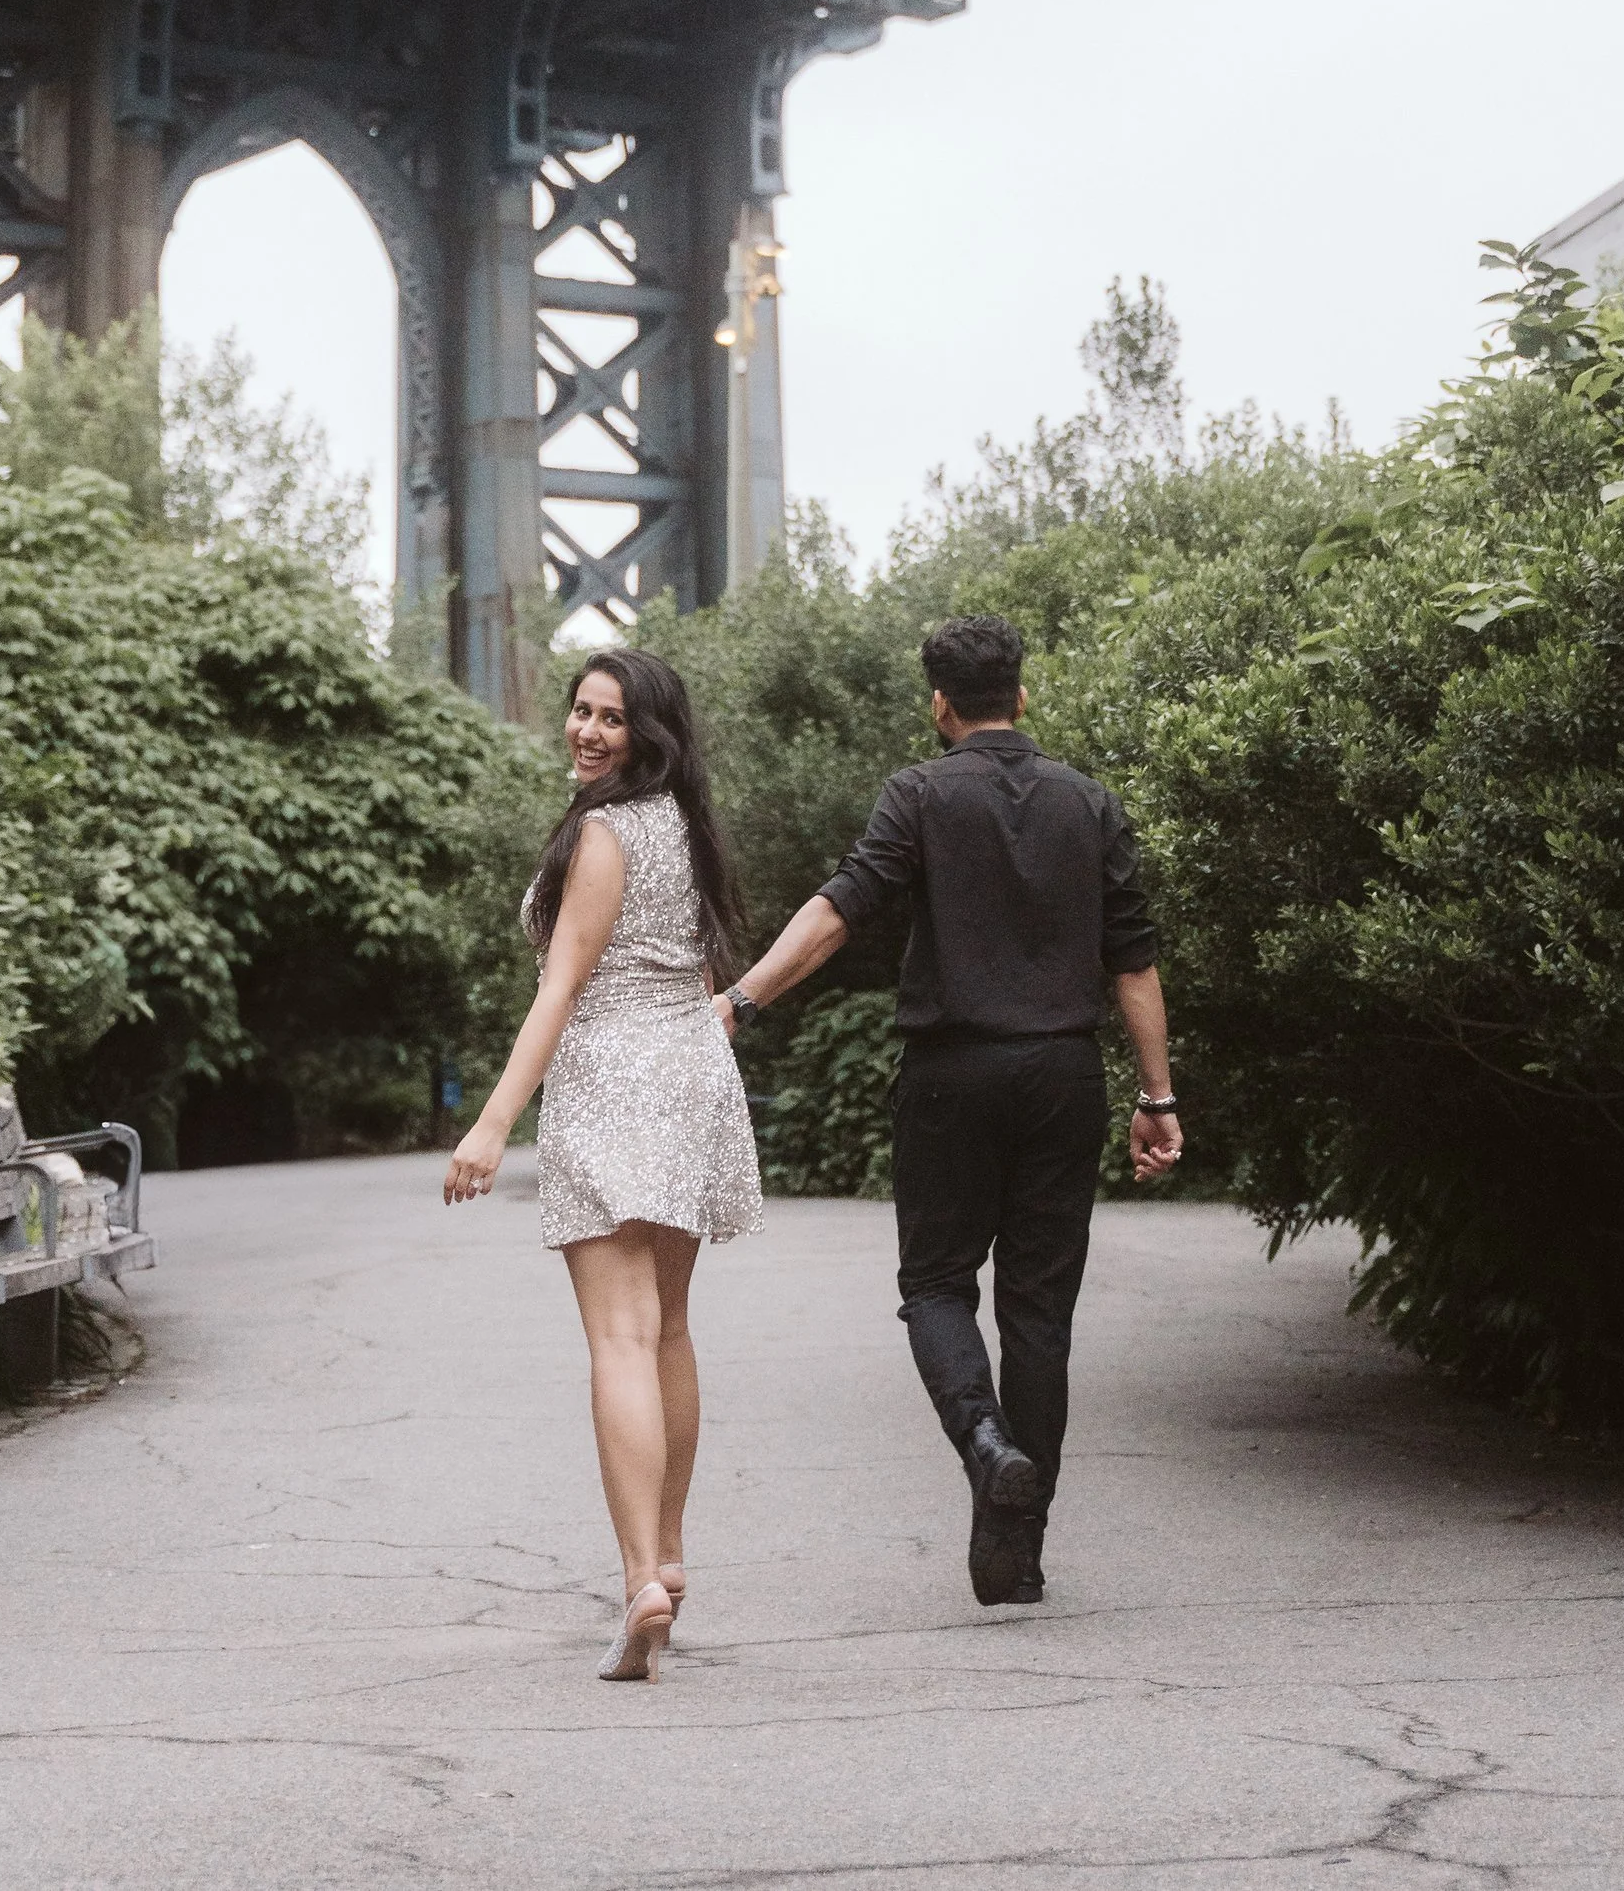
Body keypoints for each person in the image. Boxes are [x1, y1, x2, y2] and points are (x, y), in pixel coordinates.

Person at [717, 612, 1181, 1606]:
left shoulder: (919, 796)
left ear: (938, 703)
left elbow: (839, 911)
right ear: (1022, 694)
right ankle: (1022, 1537)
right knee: (1039, 1311)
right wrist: (1157, 1095)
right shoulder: (1089, 806)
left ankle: (982, 1444)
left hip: (949, 1076)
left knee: (935, 1286)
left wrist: (742, 1000)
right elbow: (1132, 961)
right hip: (1062, 1076)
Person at [444, 646, 762, 1682]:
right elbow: (702, 967)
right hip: (689, 1070)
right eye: (580, 712)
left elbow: (561, 989)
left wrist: (492, 1124)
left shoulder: (602, 834)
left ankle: (639, 1584)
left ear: (649, 733)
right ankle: (669, 1552)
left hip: (617, 1076)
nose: (585, 731)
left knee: (619, 1341)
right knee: (666, 1328)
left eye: (610, 719)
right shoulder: (689, 827)